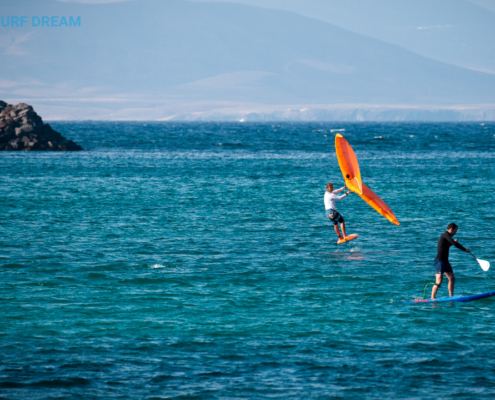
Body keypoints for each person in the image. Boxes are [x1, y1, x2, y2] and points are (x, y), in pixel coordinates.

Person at [431, 223, 470, 299]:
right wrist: (464, 249)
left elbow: (445, 245)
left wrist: (452, 242)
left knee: (452, 278)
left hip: (445, 261)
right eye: (455, 231)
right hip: (439, 261)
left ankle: (451, 297)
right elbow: (454, 244)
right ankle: (432, 298)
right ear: (451, 229)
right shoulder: (444, 235)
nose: (455, 233)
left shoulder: (447, 237)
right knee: (439, 280)